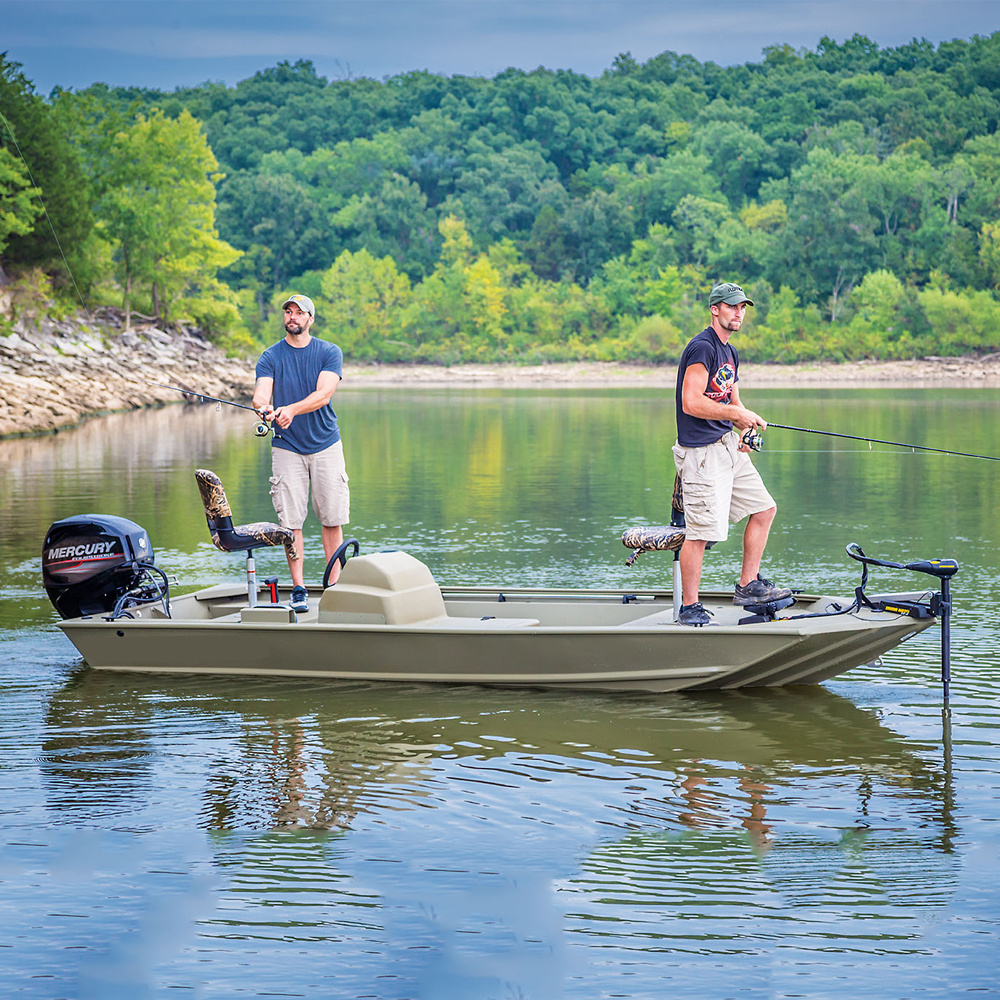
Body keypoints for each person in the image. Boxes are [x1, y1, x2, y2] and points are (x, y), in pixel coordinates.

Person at [671, 281, 790, 626]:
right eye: (732, 306)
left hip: (726, 447)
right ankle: (689, 607)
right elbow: (691, 402)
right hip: (701, 454)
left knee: (764, 508)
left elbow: (732, 403)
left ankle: (747, 585)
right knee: (700, 532)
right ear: (715, 309)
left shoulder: (730, 352)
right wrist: (737, 416)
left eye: (743, 308)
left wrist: (745, 425)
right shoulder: (702, 348)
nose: (739, 313)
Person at [252, 293, 350, 612]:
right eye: (288, 312)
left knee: (332, 519)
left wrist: (291, 409)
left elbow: (323, 394)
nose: (292, 316)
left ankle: (334, 585)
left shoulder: (328, 352)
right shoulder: (270, 356)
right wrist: (265, 409)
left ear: (310, 319)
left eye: (299, 312)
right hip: (287, 446)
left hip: (326, 444)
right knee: (291, 522)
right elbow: (260, 396)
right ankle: (298, 588)